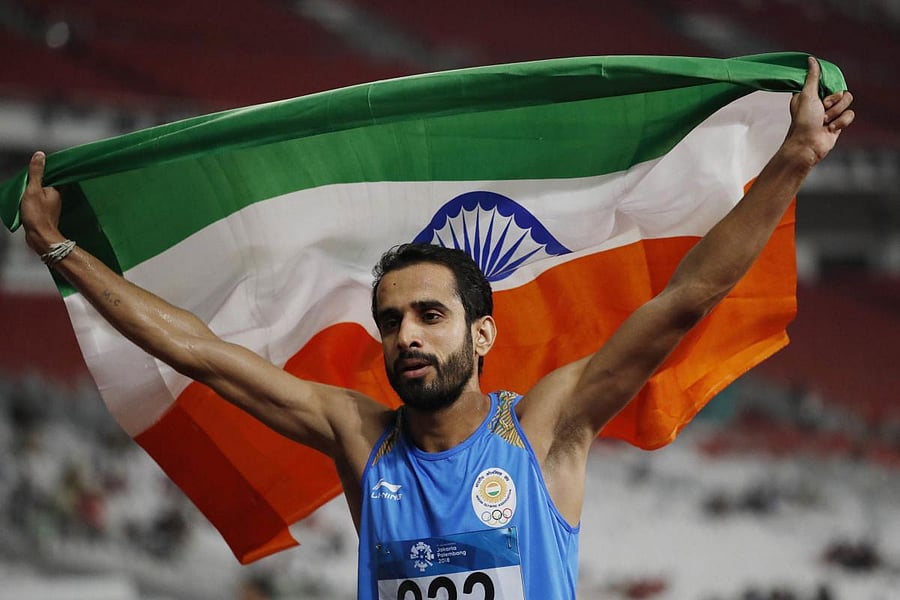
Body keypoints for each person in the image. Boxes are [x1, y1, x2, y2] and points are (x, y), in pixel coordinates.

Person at [20, 57, 853, 599]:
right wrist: (63, 250)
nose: (406, 336)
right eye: (390, 321)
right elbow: (198, 352)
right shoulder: (358, 435)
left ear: (482, 334)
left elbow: (684, 299)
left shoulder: (547, 425)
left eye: (429, 315)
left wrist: (792, 162)